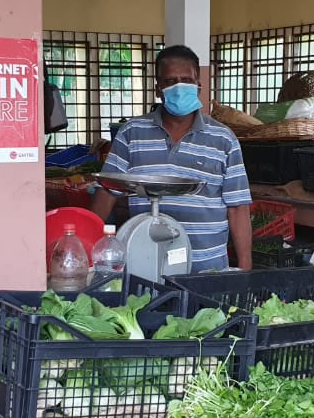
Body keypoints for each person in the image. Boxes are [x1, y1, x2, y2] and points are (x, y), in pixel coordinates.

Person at [91, 45, 254, 271]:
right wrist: (89, 245)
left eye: (187, 80)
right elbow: (107, 190)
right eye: (170, 81)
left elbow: (238, 207)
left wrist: (245, 270)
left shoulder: (223, 138)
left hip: (206, 268)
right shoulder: (132, 133)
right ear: (158, 88)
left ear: (198, 86)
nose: (179, 87)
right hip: (145, 265)